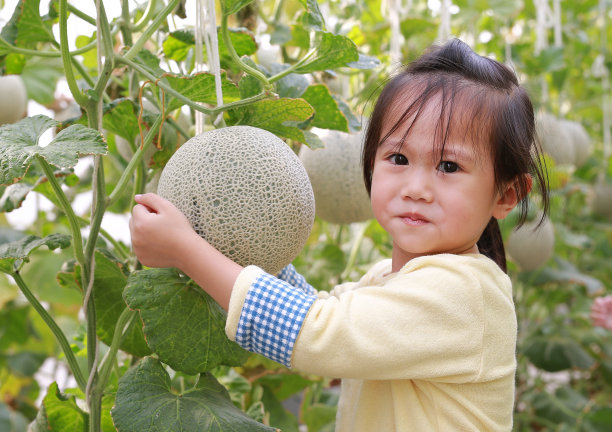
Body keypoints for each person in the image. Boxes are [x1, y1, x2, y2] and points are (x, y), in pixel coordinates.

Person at [129, 38, 549, 431]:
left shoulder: (465, 296)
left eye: (449, 167)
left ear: (507, 194)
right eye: (398, 157)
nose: (416, 188)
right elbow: (318, 310)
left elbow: (314, 335)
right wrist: (237, 241)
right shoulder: (388, 277)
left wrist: (186, 249)